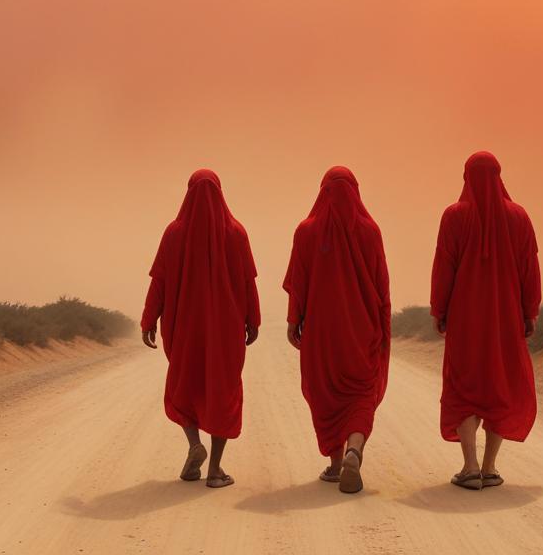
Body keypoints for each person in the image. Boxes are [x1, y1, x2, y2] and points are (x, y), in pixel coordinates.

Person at [141, 169, 260, 489]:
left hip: (185, 329)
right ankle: (216, 470)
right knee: (223, 390)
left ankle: (195, 445)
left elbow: (159, 283)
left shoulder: (174, 233)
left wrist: (148, 319)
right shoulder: (236, 233)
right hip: (226, 329)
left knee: (186, 385)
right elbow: (249, 283)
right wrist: (253, 319)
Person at [430, 152, 542, 490]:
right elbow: (529, 270)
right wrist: (529, 311)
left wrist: (440, 309)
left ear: (466, 177)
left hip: (465, 318)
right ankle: (491, 468)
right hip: (505, 317)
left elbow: (443, 267)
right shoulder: (519, 217)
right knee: (500, 384)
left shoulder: (453, 216)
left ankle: (470, 467)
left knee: (465, 385)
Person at [284, 166, 391, 494]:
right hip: (362, 330)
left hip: (320, 332)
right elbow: (381, 286)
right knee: (360, 393)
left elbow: (298, 284)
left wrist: (293, 322)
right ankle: (354, 451)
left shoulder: (305, 231)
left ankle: (334, 464)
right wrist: (384, 326)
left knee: (326, 394)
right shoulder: (371, 231)